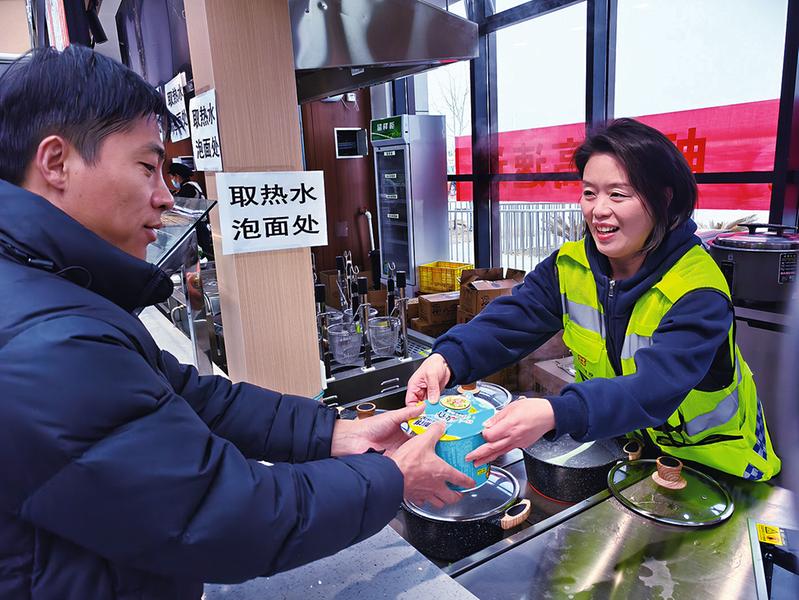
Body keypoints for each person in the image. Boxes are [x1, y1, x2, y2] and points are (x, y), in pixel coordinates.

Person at [0, 45, 472, 599]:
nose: (164, 197)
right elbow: (217, 513)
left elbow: (192, 397)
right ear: (56, 163)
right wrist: (391, 477)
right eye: (147, 167)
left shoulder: (50, 292)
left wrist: (332, 432)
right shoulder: (44, 338)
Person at [407, 118, 781, 483]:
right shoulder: (572, 266)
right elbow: (510, 321)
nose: (598, 210)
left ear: (664, 199)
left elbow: (655, 388)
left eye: (618, 194)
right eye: (589, 192)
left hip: (714, 469)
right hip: (631, 457)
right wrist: (448, 358)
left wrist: (558, 412)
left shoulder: (697, 290)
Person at [168, 162, 215, 259]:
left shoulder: (188, 188)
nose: (172, 180)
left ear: (177, 176)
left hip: (197, 227)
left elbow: (179, 207)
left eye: (172, 177)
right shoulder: (192, 185)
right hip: (199, 225)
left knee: (203, 255)